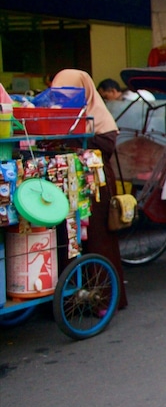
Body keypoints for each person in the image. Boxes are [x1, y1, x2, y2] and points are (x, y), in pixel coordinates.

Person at [50, 69, 128, 310]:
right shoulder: (57, 113)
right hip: (67, 184)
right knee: (67, 239)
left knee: (97, 238)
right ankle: (71, 299)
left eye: (70, 92)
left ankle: (103, 297)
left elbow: (106, 144)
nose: (65, 98)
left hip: (96, 185)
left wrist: (77, 136)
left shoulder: (98, 116)